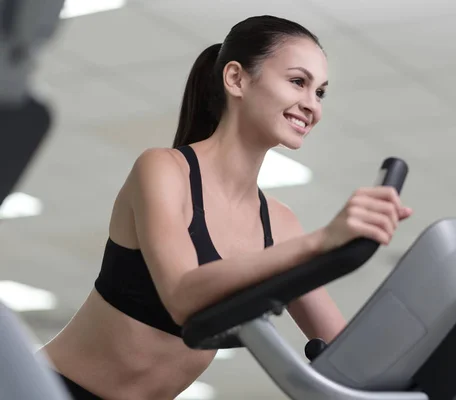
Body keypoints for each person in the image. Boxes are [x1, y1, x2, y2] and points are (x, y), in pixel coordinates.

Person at [41, 15, 413, 400]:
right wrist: (322, 241)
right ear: (236, 79)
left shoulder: (281, 224)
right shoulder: (164, 170)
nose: (311, 105)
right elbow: (183, 296)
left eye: (320, 92)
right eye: (298, 82)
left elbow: (345, 349)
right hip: (42, 389)